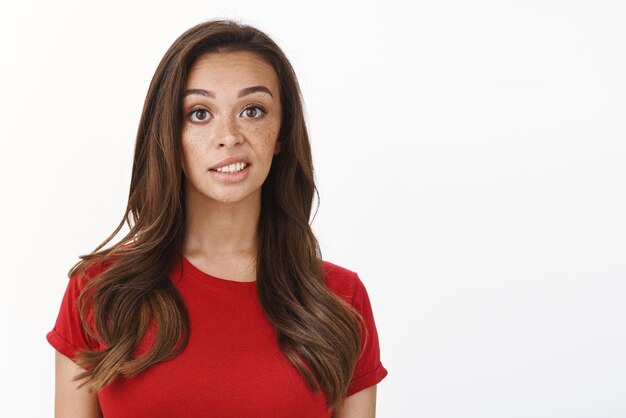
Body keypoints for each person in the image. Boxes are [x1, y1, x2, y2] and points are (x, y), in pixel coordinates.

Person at [46, 19, 388, 417]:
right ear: (169, 133)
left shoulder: (338, 300)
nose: (229, 135)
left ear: (281, 131)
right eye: (199, 114)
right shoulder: (98, 291)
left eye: (252, 110)